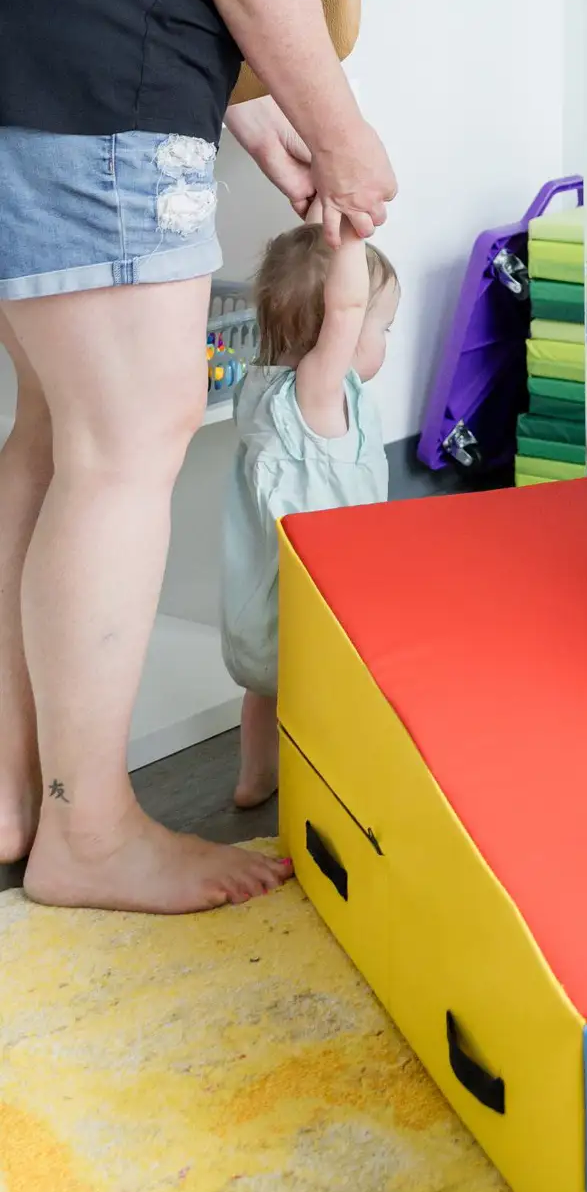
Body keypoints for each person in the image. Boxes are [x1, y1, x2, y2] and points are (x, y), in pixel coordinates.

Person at [0, 0, 565, 910]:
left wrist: (252, 117)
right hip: (96, 56)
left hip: (35, 33)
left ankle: (17, 795)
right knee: (129, 442)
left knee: (54, 437)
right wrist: (349, 131)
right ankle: (92, 834)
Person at [222, 226, 397, 809]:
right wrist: (351, 238)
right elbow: (346, 306)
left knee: (263, 693)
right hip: (316, 606)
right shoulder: (316, 393)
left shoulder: (260, 385)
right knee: (330, 698)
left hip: (262, 600)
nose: (385, 341)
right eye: (384, 327)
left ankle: (254, 777)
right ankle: (323, 792)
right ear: (339, 333)